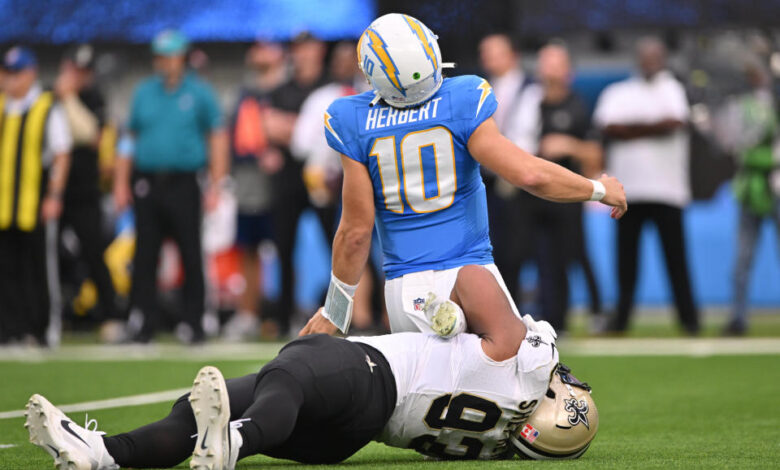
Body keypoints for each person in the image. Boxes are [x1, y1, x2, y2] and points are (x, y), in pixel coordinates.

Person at [26, 266, 597, 468]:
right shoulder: (500, 438)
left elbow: (471, 274)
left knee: (291, 370)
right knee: (222, 402)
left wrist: (439, 309)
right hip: (352, 436)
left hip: (371, 375)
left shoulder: (527, 363)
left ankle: (235, 442)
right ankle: (104, 455)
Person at [299, 13, 626, 338]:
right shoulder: (463, 97)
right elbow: (529, 175)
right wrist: (598, 188)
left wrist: (335, 310)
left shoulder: (351, 117)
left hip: (403, 290)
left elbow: (355, 232)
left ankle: (441, 316)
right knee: (526, 370)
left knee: (427, 389)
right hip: (471, 272)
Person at [113, 30, 229, 343]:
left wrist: (217, 183)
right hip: (147, 182)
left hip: (184, 182)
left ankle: (193, 323)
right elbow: (128, 139)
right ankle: (142, 323)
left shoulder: (199, 92)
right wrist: (121, 182)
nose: (164, 61)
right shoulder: (144, 92)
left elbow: (217, 136)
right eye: (160, 56)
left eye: (170, 55)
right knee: (145, 254)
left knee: (191, 252)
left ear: (182, 57)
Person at [593, 37, 700, 335]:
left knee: (676, 261)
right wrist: (652, 126)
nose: (649, 62)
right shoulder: (619, 91)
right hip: (627, 193)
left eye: (655, 56)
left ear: (663, 58)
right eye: (645, 56)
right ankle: (622, 320)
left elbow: (675, 123)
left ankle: (690, 320)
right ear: (638, 59)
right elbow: (607, 126)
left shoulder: (672, 88)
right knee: (626, 264)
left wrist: (630, 130)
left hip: (668, 191)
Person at [290, 41, 383, 331]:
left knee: (389, 250)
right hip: (352, 178)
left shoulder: (378, 95)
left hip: (387, 177)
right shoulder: (329, 99)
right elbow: (303, 144)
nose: (346, 65)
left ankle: (393, 321)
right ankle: (363, 319)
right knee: (356, 246)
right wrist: (327, 167)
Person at [517, 43, 605, 332]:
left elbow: (595, 154)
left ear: (568, 69)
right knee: (534, 256)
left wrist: (568, 145)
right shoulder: (529, 103)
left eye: (555, 63)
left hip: (566, 194)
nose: (549, 69)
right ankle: (545, 318)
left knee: (573, 253)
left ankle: (589, 311)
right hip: (531, 193)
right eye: (545, 62)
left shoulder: (576, 105)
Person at [0, 46, 72, 346]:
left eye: (15, 73)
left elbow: (61, 153)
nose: (9, 80)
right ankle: (10, 329)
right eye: (6, 73)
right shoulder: (2, 107)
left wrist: (54, 195)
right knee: (6, 270)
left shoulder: (45, 106)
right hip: (4, 205)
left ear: (30, 74)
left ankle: (43, 327)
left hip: (34, 202)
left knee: (39, 269)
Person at [221, 42, 287, 341]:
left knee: (285, 248)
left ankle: (284, 312)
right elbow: (234, 137)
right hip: (248, 180)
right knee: (248, 248)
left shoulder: (288, 88)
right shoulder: (245, 92)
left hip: (281, 183)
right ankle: (249, 314)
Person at [55, 44, 121, 334]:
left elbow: (92, 135)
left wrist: (68, 98)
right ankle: (53, 314)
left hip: (85, 191)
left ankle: (112, 315)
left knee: (94, 253)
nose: (80, 76)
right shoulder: (48, 98)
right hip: (52, 192)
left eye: (85, 71)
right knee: (49, 257)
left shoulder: (94, 98)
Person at [267, 32, 328, 337]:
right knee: (284, 248)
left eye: (308, 46)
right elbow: (268, 127)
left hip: (324, 178)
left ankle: (351, 313)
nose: (303, 53)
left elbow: (327, 131)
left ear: (318, 50)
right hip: (288, 180)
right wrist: (307, 128)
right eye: (298, 47)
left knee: (341, 244)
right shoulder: (281, 90)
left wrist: (290, 127)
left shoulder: (328, 86)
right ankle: (283, 317)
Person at [478, 33, 543, 304]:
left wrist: (510, 167)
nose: (489, 59)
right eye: (486, 53)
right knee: (496, 249)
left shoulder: (531, 88)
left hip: (520, 176)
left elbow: (526, 134)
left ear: (512, 55)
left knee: (521, 249)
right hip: (489, 180)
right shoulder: (481, 89)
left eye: (496, 52)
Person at [721, 59, 779, 335]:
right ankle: (738, 317)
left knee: (744, 256)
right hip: (751, 186)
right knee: (742, 257)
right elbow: (732, 143)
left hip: (775, 184)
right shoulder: (742, 106)